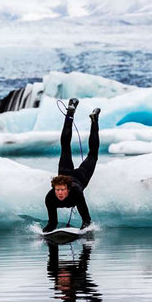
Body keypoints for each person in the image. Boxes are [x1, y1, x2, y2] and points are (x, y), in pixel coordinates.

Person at [43, 98, 100, 232]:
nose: (60, 193)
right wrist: (44, 234)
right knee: (65, 147)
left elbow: (86, 220)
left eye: (62, 190)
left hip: (80, 177)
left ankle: (94, 120)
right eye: (58, 190)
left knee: (92, 155)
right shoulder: (50, 198)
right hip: (65, 174)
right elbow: (52, 223)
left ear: (68, 189)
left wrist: (83, 232)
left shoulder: (76, 193)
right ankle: (70, 112)